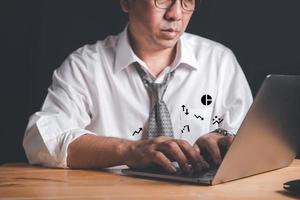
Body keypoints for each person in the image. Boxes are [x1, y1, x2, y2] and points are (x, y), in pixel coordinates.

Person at [23, 0, 253, 173]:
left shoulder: (219, 61)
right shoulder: (85, 66)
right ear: (126, 2)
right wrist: (129, 151)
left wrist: (224, 137)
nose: (175, 14)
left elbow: (253, 137)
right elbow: (41, 139)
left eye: (187, 1)